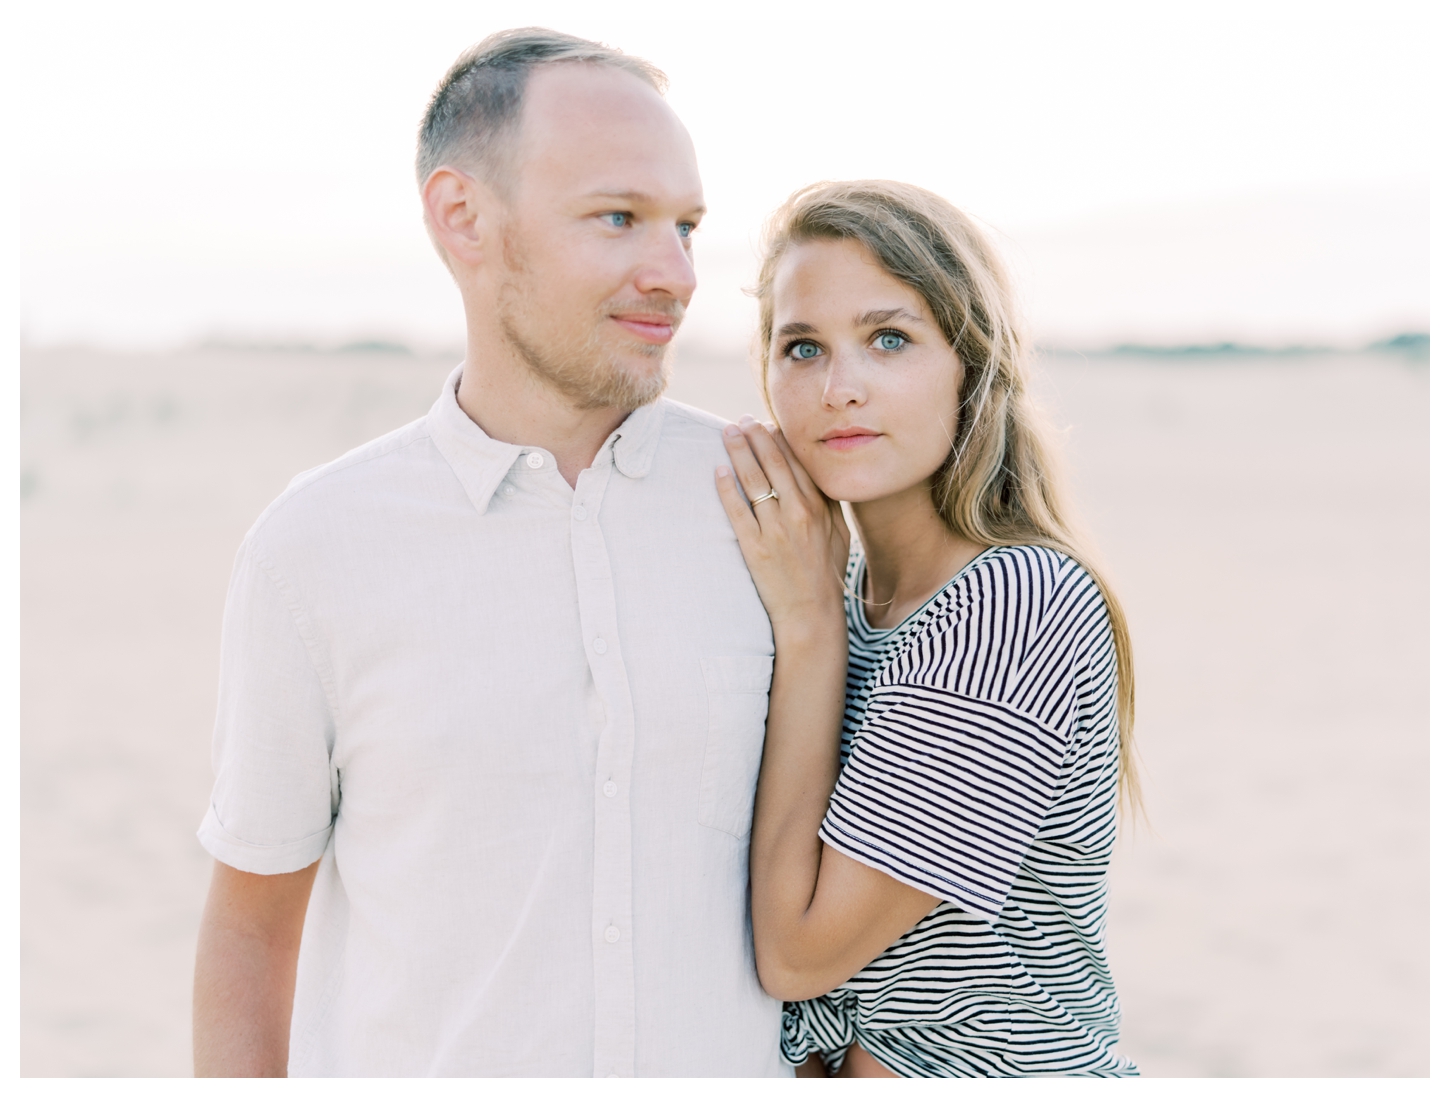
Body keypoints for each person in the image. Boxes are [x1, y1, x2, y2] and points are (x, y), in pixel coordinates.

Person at [192, 28, 790, 1077]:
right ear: (462, 218)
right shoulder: (315, 549)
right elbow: (249, 928)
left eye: (687, 226)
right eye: (618, 218)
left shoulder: (772, 504)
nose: (676, 274)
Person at [714, 180, 1140, 1077]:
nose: (839, 388)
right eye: (802, 348)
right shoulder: (864, 590)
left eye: (889, 339)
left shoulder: (1012, 605)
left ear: (971, 366)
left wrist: (810, 631)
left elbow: (800, 956)